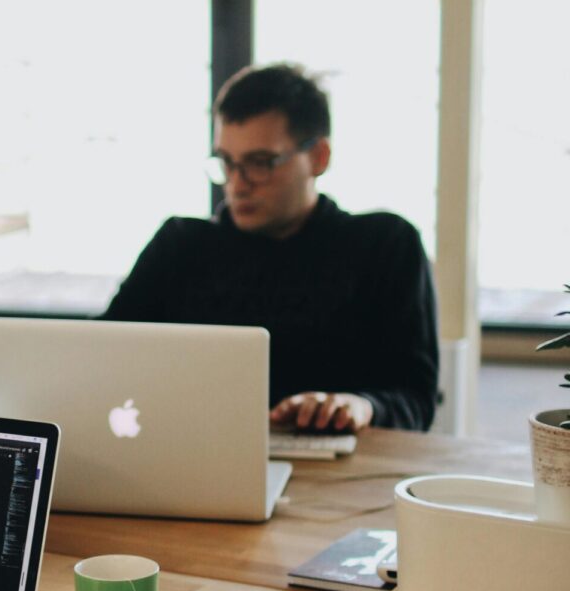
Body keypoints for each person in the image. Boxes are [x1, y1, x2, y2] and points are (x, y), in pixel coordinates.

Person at [102, 62, 439, 432]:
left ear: (318, 157)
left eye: (260, 163)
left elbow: (416, 400)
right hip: (193, 460)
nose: (237, 184)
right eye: (227, 163)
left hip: (340, 474)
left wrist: (361, 406)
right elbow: (100, 356)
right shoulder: (180, 246)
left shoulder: (385, 246)